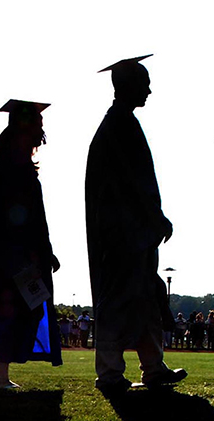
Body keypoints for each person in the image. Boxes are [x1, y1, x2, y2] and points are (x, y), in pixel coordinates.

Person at [85, 54, 187, 393]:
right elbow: (132, 182)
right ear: (128, 86)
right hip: (122, 234)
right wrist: (154, 216)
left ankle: (153, 367)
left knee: (145, 298)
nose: (150, 91)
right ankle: (111, 372)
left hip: (134, 233)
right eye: (144, 83)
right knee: (117, 300)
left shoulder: (120, 122)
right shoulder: (118, 125)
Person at [0, 100, 63, 388]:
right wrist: (42, 253)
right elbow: (26, 217)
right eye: (39, 124)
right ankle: (0, 374)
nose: (42, 130)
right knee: (23, 308)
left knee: (25, 307)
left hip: (7, 252)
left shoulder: (7, 163)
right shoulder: (16, 167)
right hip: (17, 255)